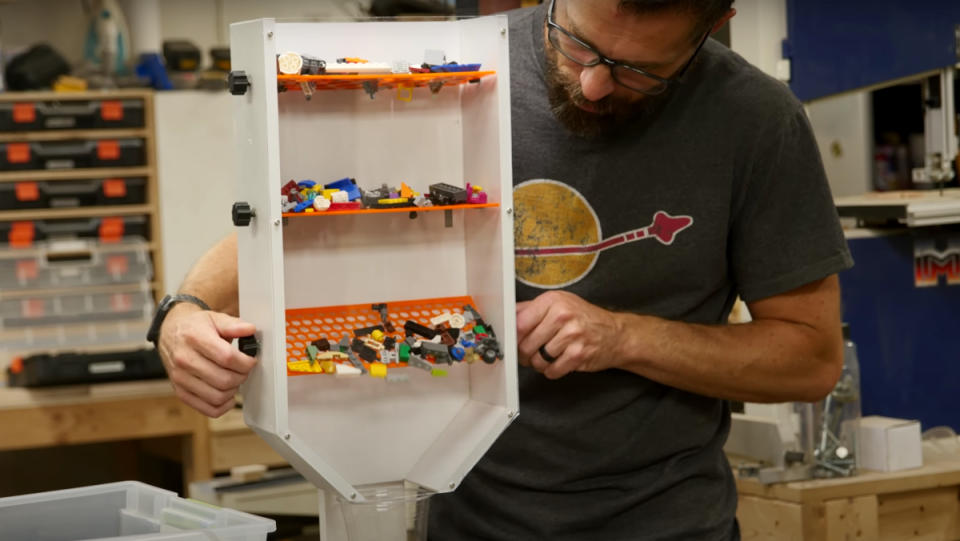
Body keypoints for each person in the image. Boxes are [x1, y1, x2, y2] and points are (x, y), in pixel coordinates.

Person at [156, 0, 853, 538]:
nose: (594, 81)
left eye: (641, 72)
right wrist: (182, 314)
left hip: (667, 522)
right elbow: (306, 216)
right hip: (469, 517)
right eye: (577, 41)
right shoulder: (459, 66)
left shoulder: (758, 124)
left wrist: (623, 337)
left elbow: (810, 356)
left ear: (718, 22)